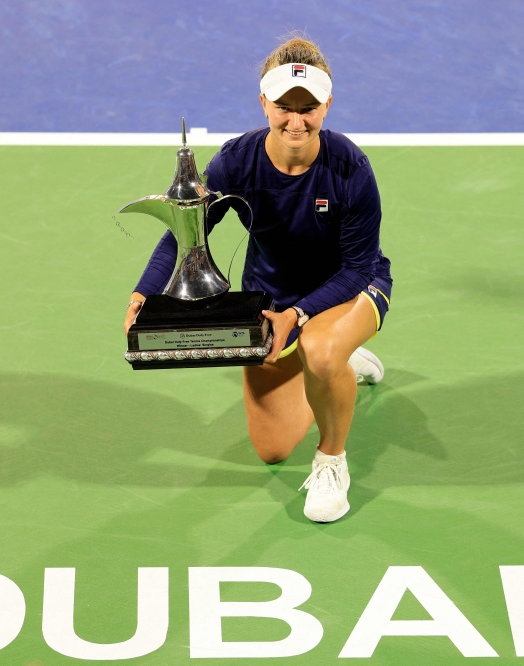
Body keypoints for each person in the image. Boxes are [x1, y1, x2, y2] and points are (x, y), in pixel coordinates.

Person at [124, 35, 392, 523]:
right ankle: (336, 364)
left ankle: (332, 460)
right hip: (272, 297)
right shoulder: (236, 162)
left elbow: (357, 267)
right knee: (272, 448)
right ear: (264, 102)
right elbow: (189, 230)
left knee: (321, 349)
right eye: (284, 106)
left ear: (327, 105)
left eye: (308, 107)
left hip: (352, 288)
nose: (296, 120)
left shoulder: (350, 168)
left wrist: (300, 316)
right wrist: (146, 291)